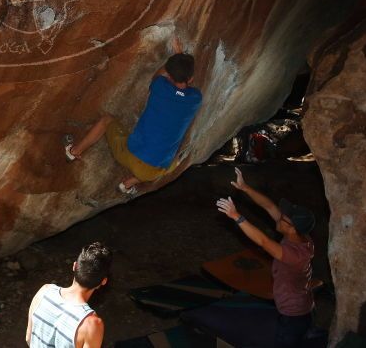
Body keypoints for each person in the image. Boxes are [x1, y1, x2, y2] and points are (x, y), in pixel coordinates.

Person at [65, 37, 202, 195]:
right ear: (190, 79)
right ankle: (128, 183)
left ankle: (75, 151)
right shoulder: (195, 99)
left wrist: (176, 58)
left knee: (106, 121)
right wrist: (180, 61)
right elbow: (184, 84)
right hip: (153, 172)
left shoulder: (160, 86)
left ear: (169, 76)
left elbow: (158, 76)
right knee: (174, 162)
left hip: (131, 155)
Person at [216, 168, 316, 347]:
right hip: (303, 307)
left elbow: (263, 241)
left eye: (283, 219)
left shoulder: (294, 255)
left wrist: (236, 216)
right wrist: (245, 188)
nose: (278, 218)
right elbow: (269, 206)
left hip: (293, 315)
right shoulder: (301, 236)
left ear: (292, 228)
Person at [26, 242, 112, 348]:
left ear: (75, 266)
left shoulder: (44, 291)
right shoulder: (91, 324)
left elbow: (29, 338)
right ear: (103, 281)